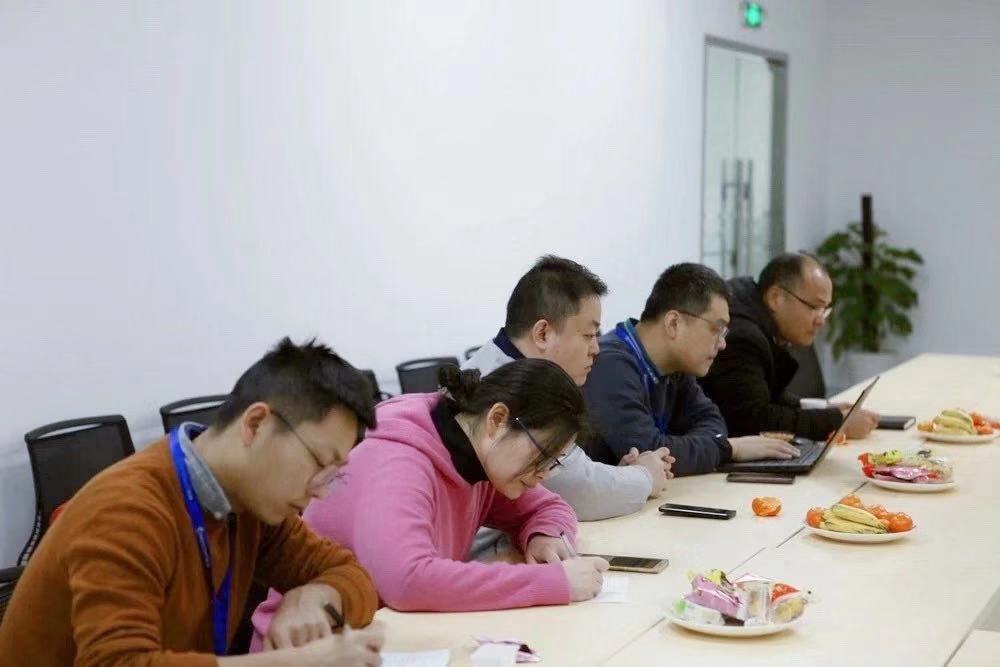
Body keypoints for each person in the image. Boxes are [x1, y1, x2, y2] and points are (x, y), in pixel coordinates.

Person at [0, 338, 384, 666]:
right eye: (318, 462)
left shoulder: (250, 505)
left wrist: (315, 596)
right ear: (255, 424)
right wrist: (295, 662)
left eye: (333, 474)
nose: (320, 490)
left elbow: (352, 575)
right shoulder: (128, 510)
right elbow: (118, 662)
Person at [251, 359, 609, 643]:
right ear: (497, 420)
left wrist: (544, 535)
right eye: (542, 455)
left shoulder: (480, 459)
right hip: (307, 648)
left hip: (386, 636)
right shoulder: (399, 459)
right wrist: (552, 583)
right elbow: (407, 580)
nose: (544, 473)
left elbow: (549, 506)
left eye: (555, 463)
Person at [464, 255, 672, 521]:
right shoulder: (513, 390)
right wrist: (646, 476)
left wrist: (620, 476)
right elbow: (578, 491)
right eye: (588, 335)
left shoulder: (496, 364)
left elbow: (569, 476)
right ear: (543, 334)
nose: (596, 349)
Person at [582, 263, 798, 475]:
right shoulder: (609, 364)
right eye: (717, 329)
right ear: (673, 323)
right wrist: (729, 449)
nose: (723, 344)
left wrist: (704, 447)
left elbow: (712, 422)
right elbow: (649, 454)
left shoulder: (676, 367)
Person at [700, 252, 879, 440]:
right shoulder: (742, 337)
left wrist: (823, 410)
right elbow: (753, 421)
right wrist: (836, 422)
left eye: (824, 310)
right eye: (814, 307)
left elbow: (766, 395)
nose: (821, 321)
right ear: (776, 298)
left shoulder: (753, 306)